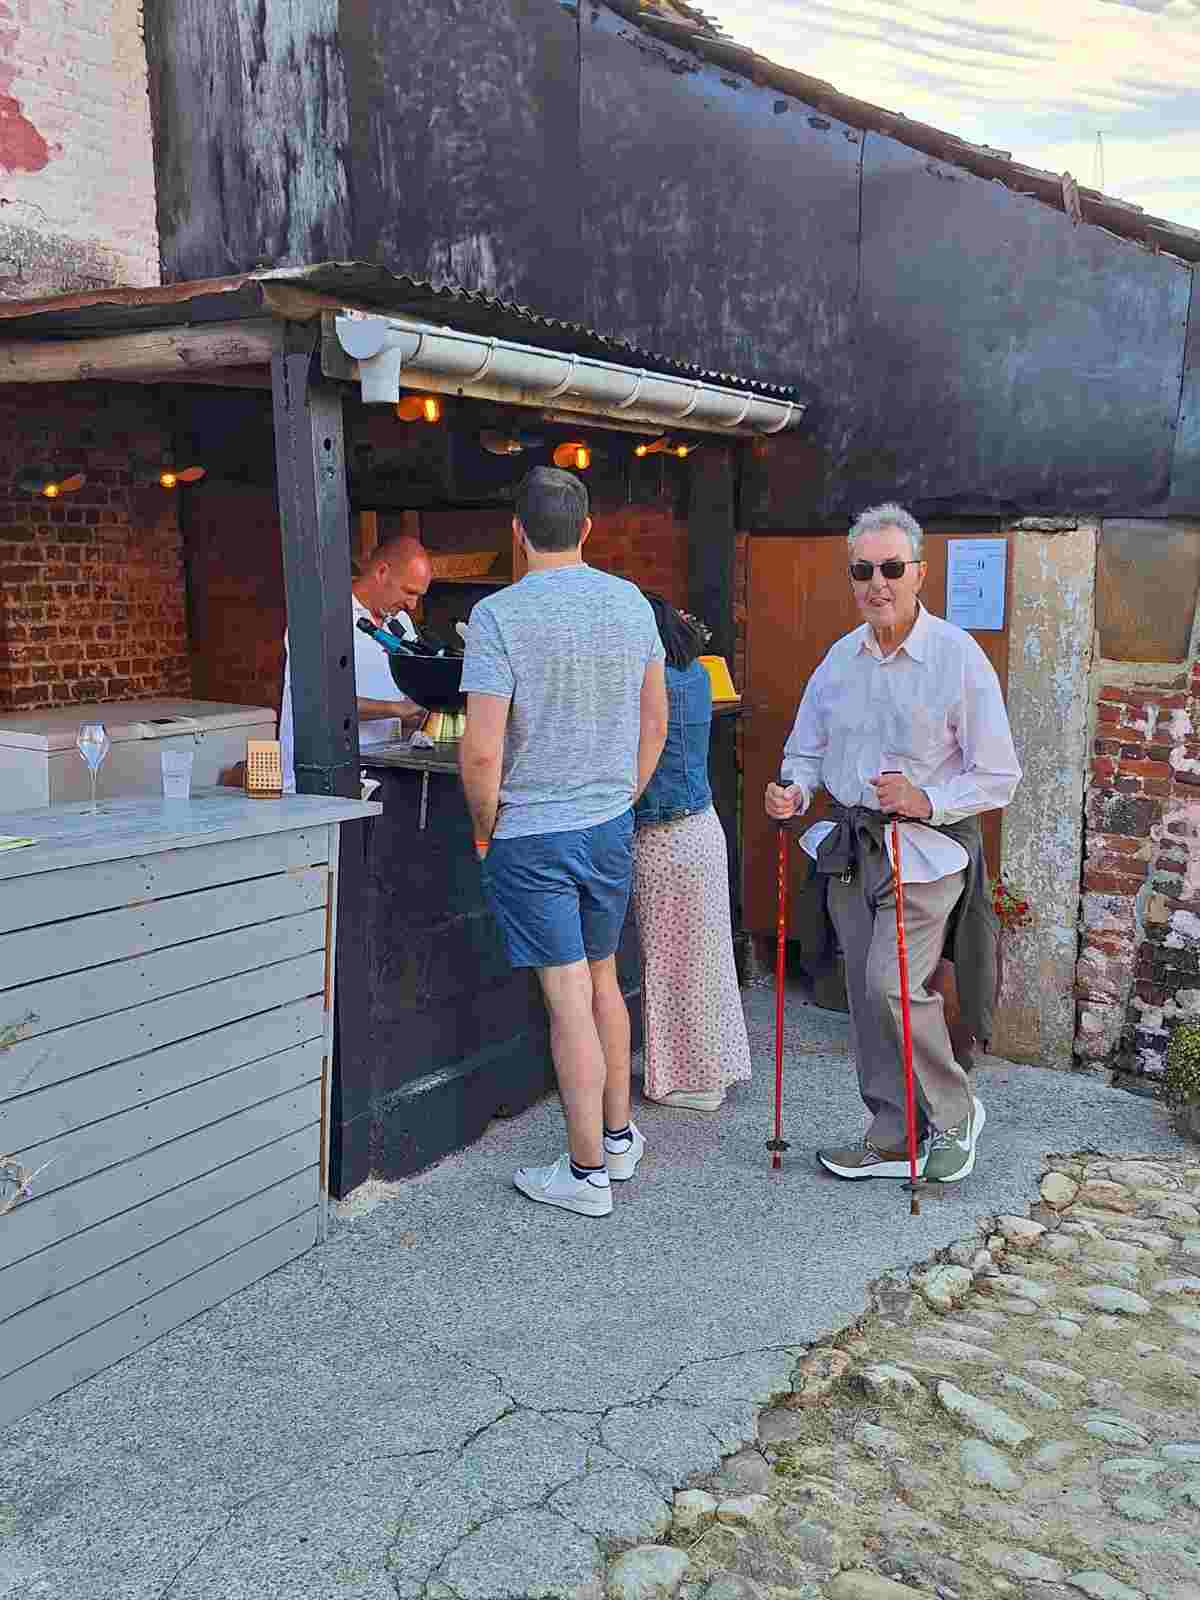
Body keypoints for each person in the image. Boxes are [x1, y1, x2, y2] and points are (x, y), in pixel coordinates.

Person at [765, 503, 1021, 1185]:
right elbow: (805, 751)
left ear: (919, 574)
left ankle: (956, 1111)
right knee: (862, 989)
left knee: (891, 982)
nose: (877, 582)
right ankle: (891, 1135)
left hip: (925, 850)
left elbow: (999, 775)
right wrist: (792, 790)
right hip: (852, 847)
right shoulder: (839, 659)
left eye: (891, 568)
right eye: (863, 569)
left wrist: (926, 798)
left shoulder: (956, 658)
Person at [459, 467, 669, 1218]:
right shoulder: (630, 603)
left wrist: (486, 830)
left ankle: (585, 1176)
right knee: (604, 981)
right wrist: (622, 797)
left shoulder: (497, 617)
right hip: (606, 824)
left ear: (517, 533)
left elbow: (481, 752)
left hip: (533, 834)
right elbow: (656, 726)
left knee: (567, 998)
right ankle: (617, 1139)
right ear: (587, 530)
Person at [633, 593, 752, 1111]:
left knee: (668, 963)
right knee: (705, 962)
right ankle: (712, 1070)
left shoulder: (650, 684)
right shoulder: (697, 676)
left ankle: (690, 1081)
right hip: (701, 830)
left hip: (664, 839)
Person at [278, 535, 432, 793]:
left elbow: (403, 700)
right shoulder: (321, 618)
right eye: (409, 592)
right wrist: (399, 709)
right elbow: (321, 702)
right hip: (316, 785)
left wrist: (417, 716)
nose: (413, 604)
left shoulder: (401, 623)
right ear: (382, 572)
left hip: (380, 774)